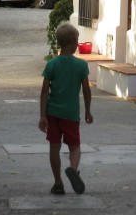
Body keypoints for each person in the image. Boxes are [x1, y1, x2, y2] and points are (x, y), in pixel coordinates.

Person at [38, 22, 93, 195]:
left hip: (53, 113)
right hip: (71, 114)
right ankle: (73, 169)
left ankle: (58, 182)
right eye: (77, 39)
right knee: (75, 147)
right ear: (73, 41)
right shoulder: (81, 65)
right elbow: (86, 89)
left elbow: (44, 91)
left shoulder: (51, 65)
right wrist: (88, 111)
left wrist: (42, 115)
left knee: (54, 147)